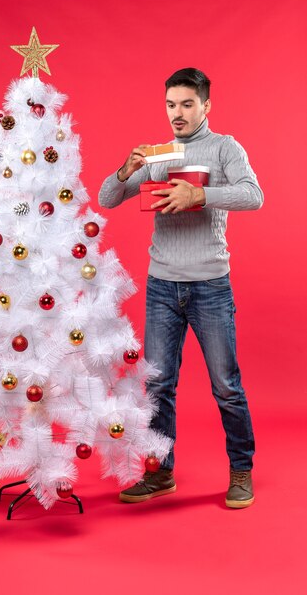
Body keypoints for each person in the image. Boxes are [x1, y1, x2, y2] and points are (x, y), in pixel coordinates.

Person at [98, 68, 263, 508]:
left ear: (206, 106)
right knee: (158, 386)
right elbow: (106, 199)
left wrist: (201, 196)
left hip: (210, 285)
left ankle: (241, 470)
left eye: (187, 104)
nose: (178, 113)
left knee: (226, 385)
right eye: (171, 104)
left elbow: (253, 194)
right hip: (161, 286)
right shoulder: (159, 153)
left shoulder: (224, 147)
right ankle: (160, 472)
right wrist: (126, 168)